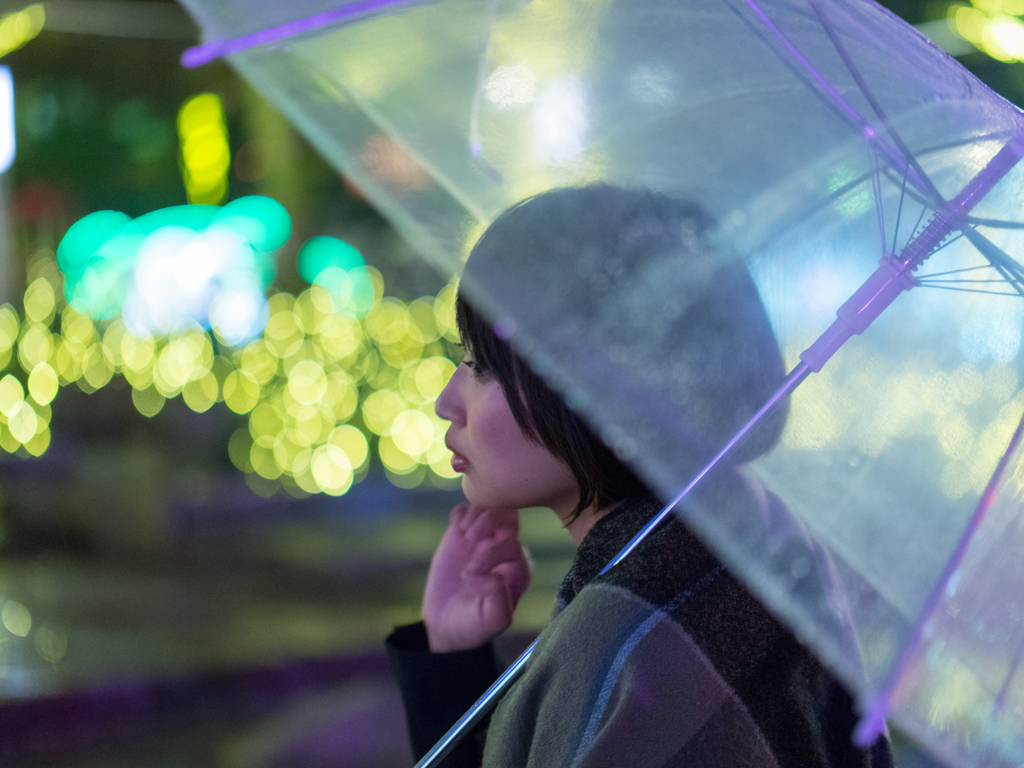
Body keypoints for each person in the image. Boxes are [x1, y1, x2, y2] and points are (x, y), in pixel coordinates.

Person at [386, 185, 892, 767]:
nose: (447, 401)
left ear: (593, 384)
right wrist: (452, 655)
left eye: (480, 365)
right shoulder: (753, 539)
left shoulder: (631, 648)